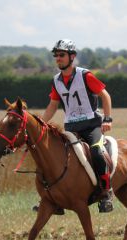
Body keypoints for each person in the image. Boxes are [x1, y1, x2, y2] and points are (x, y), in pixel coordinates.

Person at [41, 39, 114, 213]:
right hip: (71, 128)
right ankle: (53, 198)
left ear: (72, 57)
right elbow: (53, 105)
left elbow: (105, 95)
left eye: (61, 55)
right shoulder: (56, 81)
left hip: (91, 126)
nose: (58, 58)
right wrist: (42, 124)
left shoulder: (85, 75)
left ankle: (106, 193)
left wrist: (108, 119)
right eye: (56, 55)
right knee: (52, 156)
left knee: (96, 152)